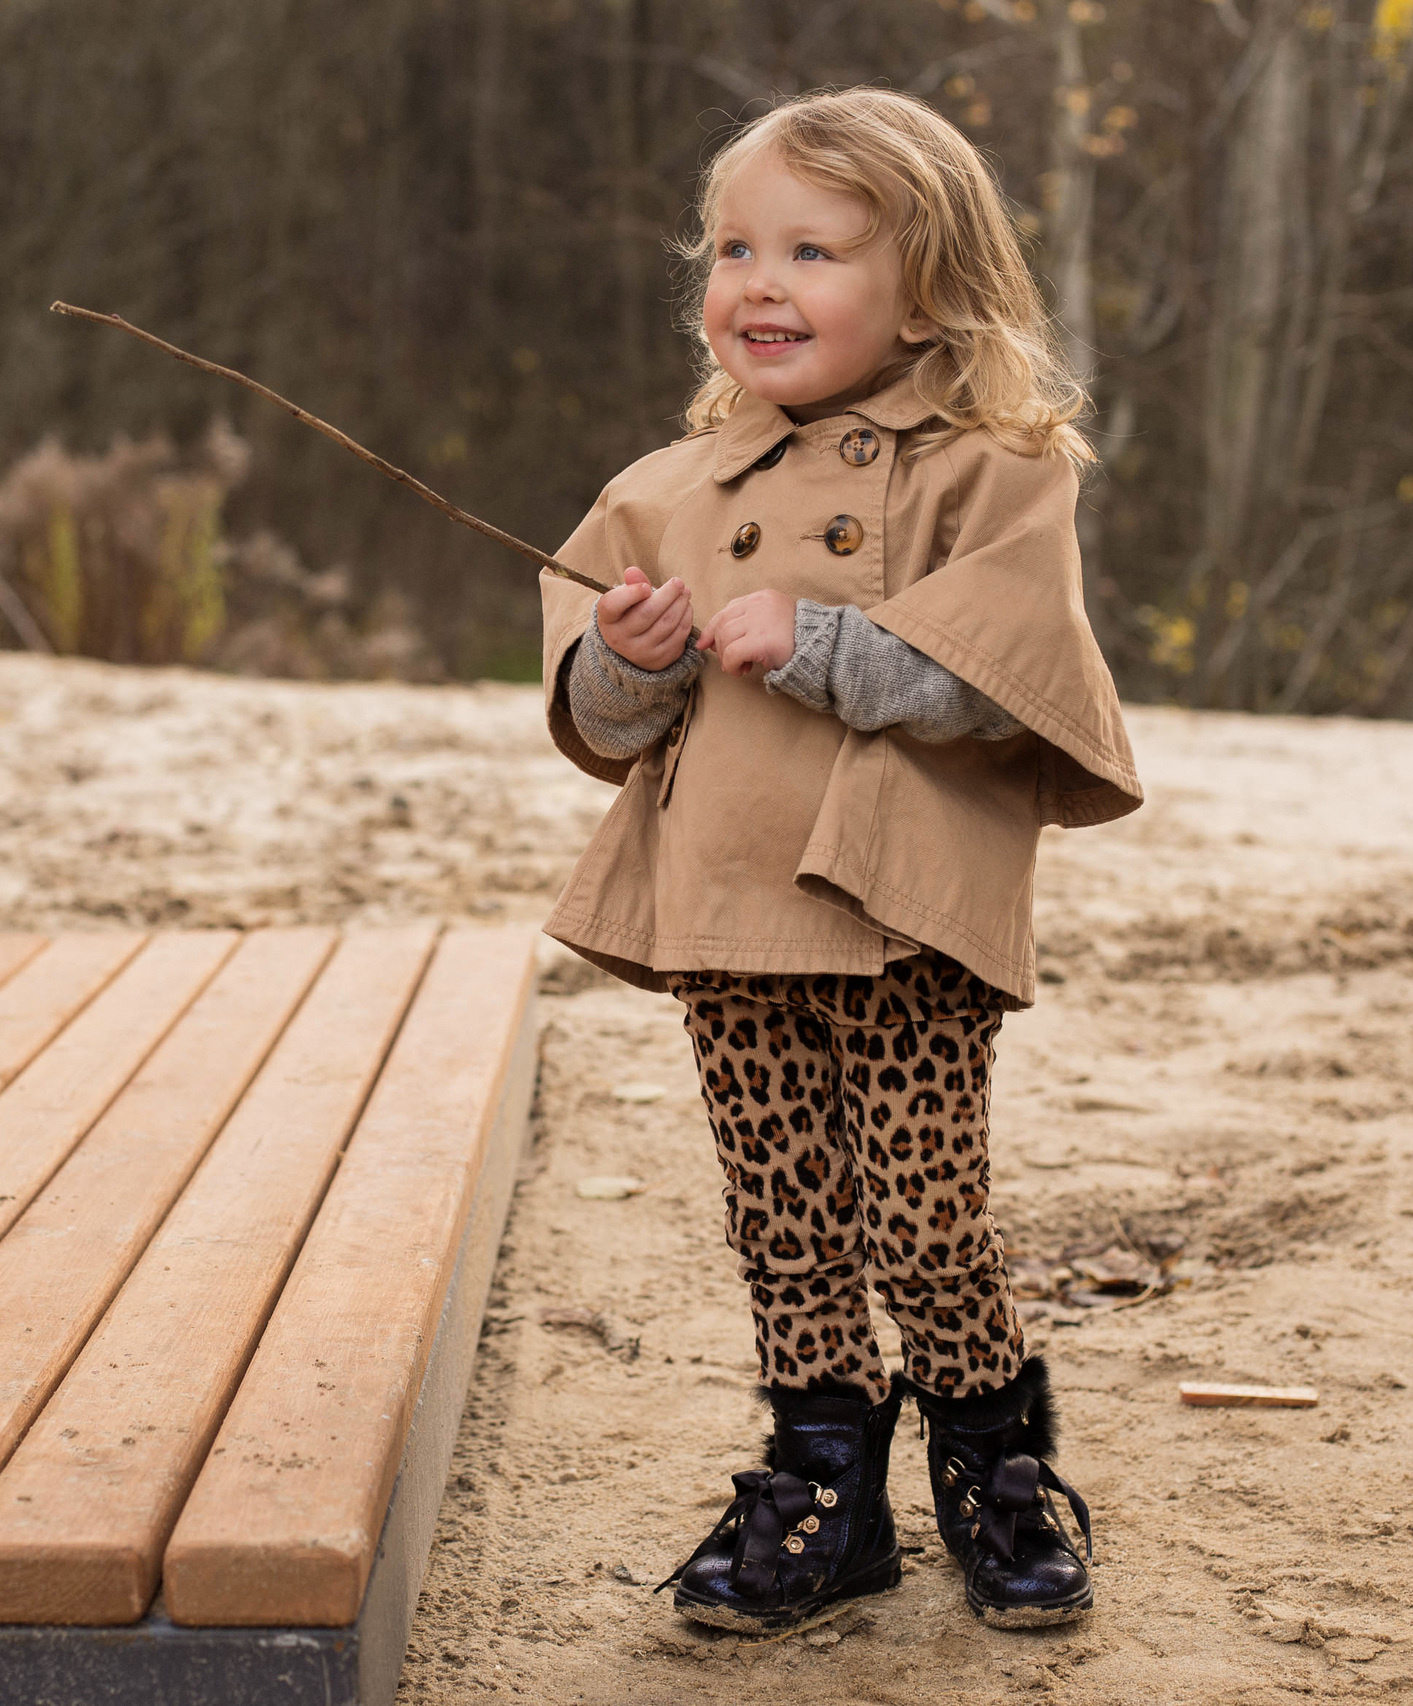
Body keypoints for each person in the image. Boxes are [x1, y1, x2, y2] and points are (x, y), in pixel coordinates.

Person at [534, 86, 1142, 1636]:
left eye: (813, 249)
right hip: (730, 911)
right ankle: (823, 1485)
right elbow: (603, 724)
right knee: (782, 1208)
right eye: (735, 247)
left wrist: (826, 644)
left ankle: (996, 1466)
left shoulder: (993, 469)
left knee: (926, 1209)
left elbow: (1005, 679)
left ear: (927, 283)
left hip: (896, 911)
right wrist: (633, 655)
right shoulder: (669, 491)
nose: (759, 280)